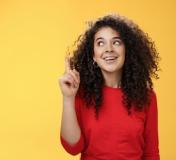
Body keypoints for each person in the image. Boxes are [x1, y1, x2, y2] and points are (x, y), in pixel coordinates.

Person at [58, 14, 160, 160]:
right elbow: (73, 148)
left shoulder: (147, 97)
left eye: (116, 42)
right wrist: (68, 98)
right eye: (100, 43)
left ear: (127, 50)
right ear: (93, 55)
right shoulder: (80, 93)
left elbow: (151, 153)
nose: (109, 49)